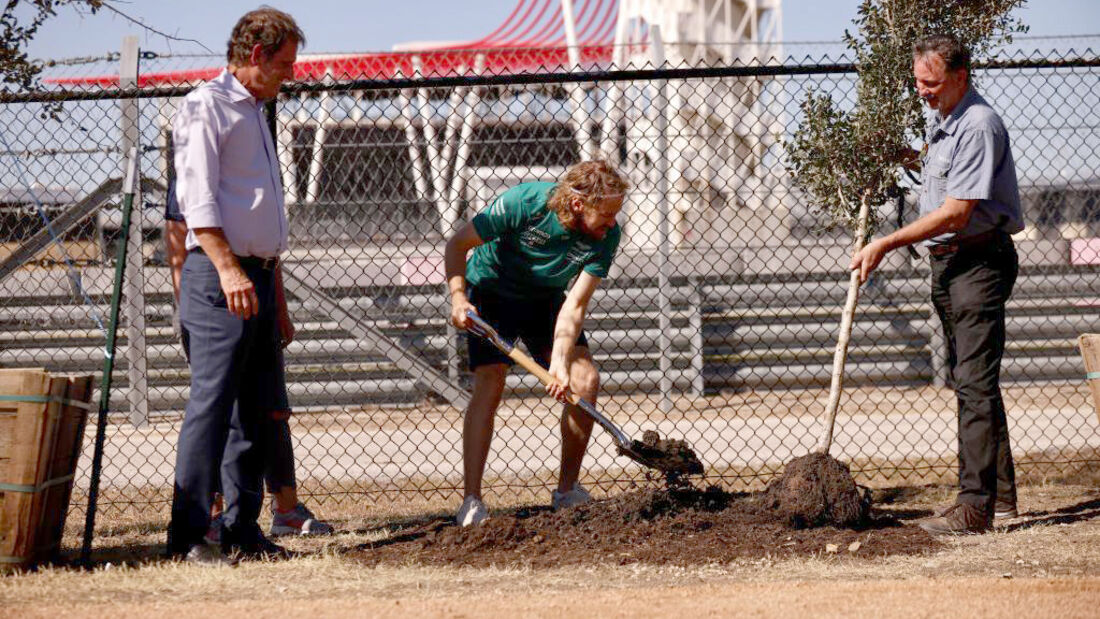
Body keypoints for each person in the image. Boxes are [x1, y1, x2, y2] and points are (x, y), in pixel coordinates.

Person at [850, 34, 1024, 535]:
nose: (921, 92)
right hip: (948, 265)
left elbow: (957, 211)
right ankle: (1001, 498)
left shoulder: (978, 125)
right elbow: (939, 180)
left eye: (930, 83)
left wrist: (885, 243)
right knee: (974, 383)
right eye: (917, 83)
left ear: (960, 77)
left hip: (977, 264)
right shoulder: (944, 121)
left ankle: (974, 509)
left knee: (973, 383)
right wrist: (901, 156)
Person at [166, 7, 306, 564]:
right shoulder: (205, 107)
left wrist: (275, 294)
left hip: (260, 277)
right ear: (256, 56)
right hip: (221, 275)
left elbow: (258, 211)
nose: (290, 76)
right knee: (212, 403)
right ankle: (192, 535)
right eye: (285, 65)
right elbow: (197, 199)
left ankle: (243, 529)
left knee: (256, 408)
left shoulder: (255, 111)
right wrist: (228, 269)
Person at [444, 160, 629, 527]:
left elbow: (574, 304)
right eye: (606, 214)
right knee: (491, 381)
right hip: (492, 291)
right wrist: (458, 298)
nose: (613, 223)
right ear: (579, 204)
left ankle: (566, 490)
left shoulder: (606, 236)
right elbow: (457, 243)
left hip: (546, 300)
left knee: (584, 380)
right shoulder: (524, 203)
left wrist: (559, 363)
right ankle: (472, 501)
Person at [164, 183, 333, 543]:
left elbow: (269, 252)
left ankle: (281, 510)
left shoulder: (250, 172)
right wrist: (189, 314)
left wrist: (281, 311)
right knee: (219, 408)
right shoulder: (198, 165)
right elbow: (178, 244)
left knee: (269, 409)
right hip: (215, 295)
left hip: (259, 297)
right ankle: (209, 515)